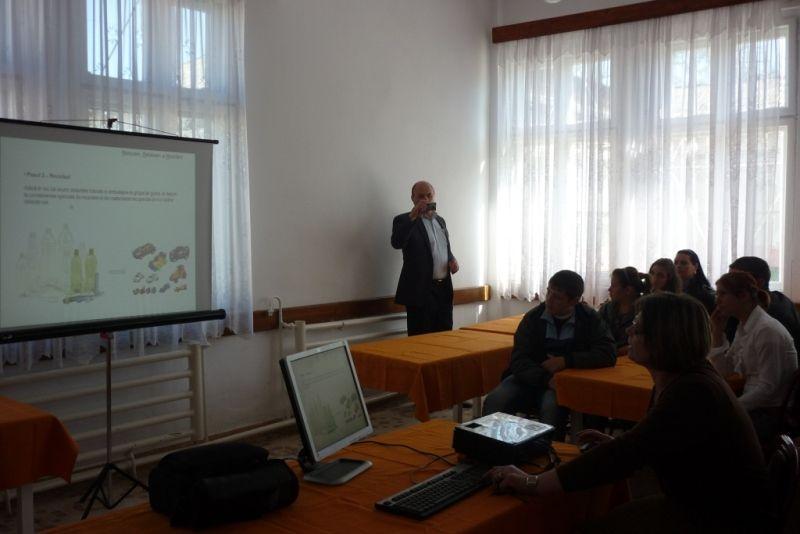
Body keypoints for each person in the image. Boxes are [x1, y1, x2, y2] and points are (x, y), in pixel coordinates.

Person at [486, 293, 769, 533]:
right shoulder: (682, 378)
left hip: (718, 517)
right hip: (705, 501)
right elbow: (647, 445)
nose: (629, 332)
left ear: (663, 338)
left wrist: (532, 482)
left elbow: (624, 456)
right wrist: (619, 444)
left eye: (638, 326)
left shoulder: (692, 390)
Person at [482, 270, 616, 440]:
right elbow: (518, 359)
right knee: (495, 400)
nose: (549, 300)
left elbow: (608, 353)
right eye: (548, 292)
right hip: (529, 377)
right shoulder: (533, 317)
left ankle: (547, 454)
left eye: (557, 297)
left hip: (565, 382)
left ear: (574, 301)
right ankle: (493, 448)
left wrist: (566, 361)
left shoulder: (589, 319)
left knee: (551, 408)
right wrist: (545, 379)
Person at [708, 272, 797, 442]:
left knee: (707, 427)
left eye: (722, 294)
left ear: (743, 296)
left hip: (771, 413)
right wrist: (717, 333)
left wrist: (733, 407)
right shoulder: (745, 326)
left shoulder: (766, 330)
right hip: (756, 406)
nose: (717, 300)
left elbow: (768, 389)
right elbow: (724, 371)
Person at [391, 181, 458, 336]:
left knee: (445, 337)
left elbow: (443, 248)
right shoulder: (403, 220)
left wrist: (451, 259)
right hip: (420, 291)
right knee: (421, 339)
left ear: (434, 196)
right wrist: (413, 216)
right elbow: (397, 243)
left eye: (429, 195)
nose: (426, 200)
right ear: (413, 198)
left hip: (443, 290)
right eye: (421, 196)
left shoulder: (440, 221)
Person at [727, 256, 800, 358]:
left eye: (734, 280)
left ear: (759, 282)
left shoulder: (766, 315)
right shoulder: (779, 298)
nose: (727, 285)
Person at [597, 267, 651, 348]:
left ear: (628, 290)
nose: (609, 289)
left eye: (613, 285)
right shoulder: (606, 308)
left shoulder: (644, 312)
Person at [675, 249, 716, 313]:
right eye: (675, 263)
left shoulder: (706, 294)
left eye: (684, 263)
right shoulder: (671, 289)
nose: (678, 266)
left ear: (695, 267)